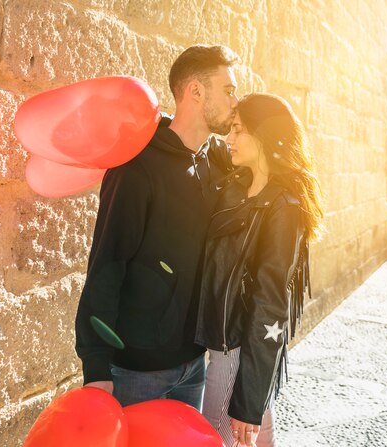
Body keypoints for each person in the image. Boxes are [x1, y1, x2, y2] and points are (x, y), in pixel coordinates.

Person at [74, 44, 239, 410]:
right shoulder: (136, 168)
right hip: (136, 374)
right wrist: (97, 366)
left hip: (194, 365)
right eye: (228, 89)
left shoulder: (217, 160)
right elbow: (106, 263)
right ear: (195, 91)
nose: (235, 100)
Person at [196, 93, 324, 446]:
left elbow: (271, 302)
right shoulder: (236, 187)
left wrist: (248, 401)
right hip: (220, 343)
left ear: (263, 137)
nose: (229, 138)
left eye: (238, 130)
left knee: (219, 438)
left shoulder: (285, 207)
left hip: (237, 347)